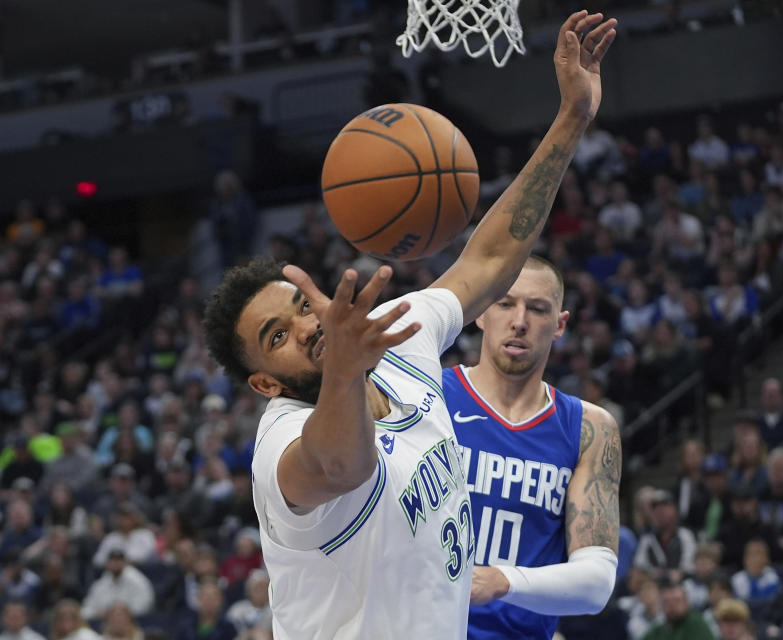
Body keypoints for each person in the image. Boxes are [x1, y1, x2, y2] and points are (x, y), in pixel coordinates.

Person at [199, 11, 617, 640]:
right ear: (265, 384)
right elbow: (341, 465)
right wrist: (343, 367)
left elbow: (489, 261)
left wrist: (571, 119)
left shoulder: (400, 339)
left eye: (302, 306)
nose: (308, 327)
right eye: (277, 336)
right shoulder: (280, 446)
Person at [442, 257, 621, 638]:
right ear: (481, 312)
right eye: (505, 303)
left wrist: (502, 581)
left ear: (559, 324)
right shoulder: (429, 397)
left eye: (537, 309)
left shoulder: (590, 428)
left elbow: (597, 582)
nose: (519, 321)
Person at [80, 549, 154, 621]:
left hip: (132, 622)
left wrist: (120, 613)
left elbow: (144, 607)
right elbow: (86, 610)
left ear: (125, 562)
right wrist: (98, 613)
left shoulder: (138, 580)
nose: (115, 563)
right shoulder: (101, 583)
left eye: (119, 560)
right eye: (112, 560)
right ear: (107, 563)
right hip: (104, 624)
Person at [642, 583, 714, 640]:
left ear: (687, 603)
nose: (672, 605)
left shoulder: (696, 623)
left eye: (677, 601)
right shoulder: (657, 631)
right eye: (667, 602)